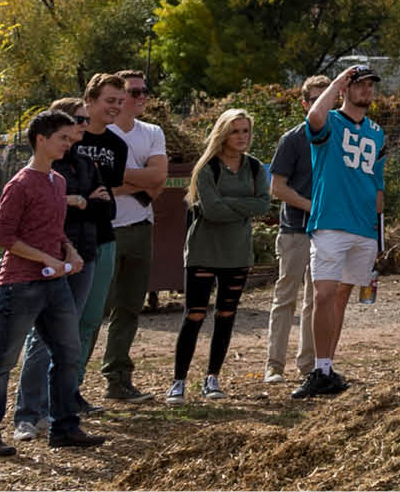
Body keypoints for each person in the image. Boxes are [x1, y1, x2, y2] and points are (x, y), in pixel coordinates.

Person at [0, 109, 108, 456]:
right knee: (2, 360)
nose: (69, 143)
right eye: (63, 137)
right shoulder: (19, 184)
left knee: (67, 353)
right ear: (41, 139)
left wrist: (69, 251)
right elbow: (3, 236)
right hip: (20, 285)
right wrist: (45, 259)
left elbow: (53, 229)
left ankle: (64, 427)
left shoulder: (57, 182)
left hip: (54, 283)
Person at [14, 77, 123, 439]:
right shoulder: (42, 169)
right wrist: (78, 202)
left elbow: (106, 210)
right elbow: (44, 214)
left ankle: (58, 411)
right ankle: (28, 415)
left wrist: (80, 203)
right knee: (41, 339)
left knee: (69, 338)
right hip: (46, 258)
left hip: (83, 255)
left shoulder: (86, 165)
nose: (82, 126)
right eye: (76, 121)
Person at [290, 63, 386, 400]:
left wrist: (380, 233)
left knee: (342, 297)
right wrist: (338, 81)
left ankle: (328, 368)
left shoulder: (377, 132)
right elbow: (314, 117)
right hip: (330, 220)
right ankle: (319, 368)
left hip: (363, 225)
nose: (366, 91)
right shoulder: (330, 121)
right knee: (323, 294)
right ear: (345, 89)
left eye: (369, 85)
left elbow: (378, 184)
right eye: (359, 85)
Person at [169, 107, 269, 401]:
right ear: (223, 133)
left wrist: (229, 202)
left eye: (245, 131)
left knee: (226, 315)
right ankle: (179, 381)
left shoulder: (255, 168)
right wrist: (243, 205)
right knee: (195, 314)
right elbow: (210, 210)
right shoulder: (207, 167)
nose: (241, 137)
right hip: (204, 250)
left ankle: (212, 378)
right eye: (235, 131)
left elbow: (263, 205)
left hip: (237, 253)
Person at [97, 70, 169, 402]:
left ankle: (118, 379)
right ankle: (68, 387)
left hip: (141, 226)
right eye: (134, 92)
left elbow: (160, 178)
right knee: (94, 309)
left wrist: (119, 182)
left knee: (129, 308)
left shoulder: (152, 132)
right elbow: (98, 182)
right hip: (106, 229)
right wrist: (141, 182)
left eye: (144, 91)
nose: (141, 97)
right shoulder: (100, 134)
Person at [263, 74, 327, 384]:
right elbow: (277, 188)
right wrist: (310, 206)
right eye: (314, 99)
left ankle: (309, 365)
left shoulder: (339, 137)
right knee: (286, 297)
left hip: (327, 232)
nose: (320, 104)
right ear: (305, 104)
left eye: (325, 97)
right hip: (295, 230)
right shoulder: (293, 138)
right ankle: (274, 364)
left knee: (317, 299)